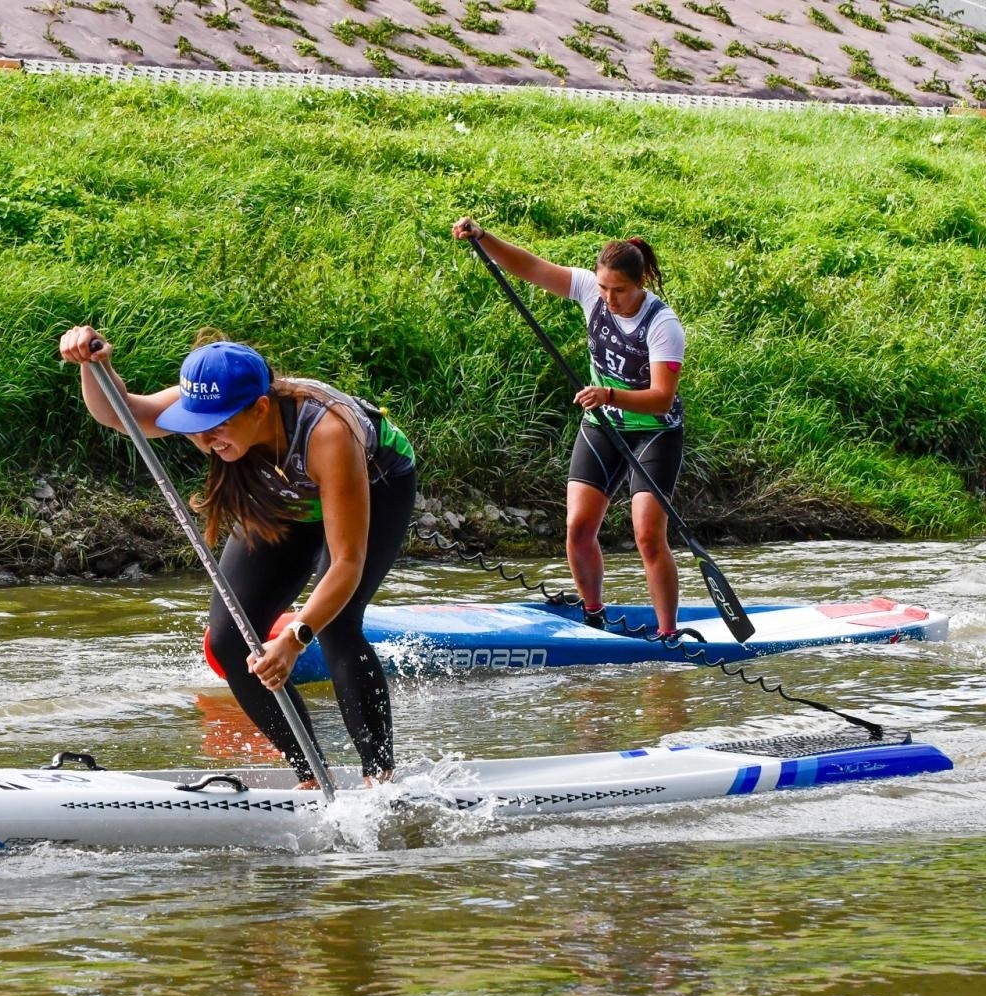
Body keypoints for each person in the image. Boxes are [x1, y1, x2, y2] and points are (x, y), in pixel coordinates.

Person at [58, 325, 417, 786]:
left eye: (219, 425)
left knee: (336, 626)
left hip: (374, 483)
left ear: (260, 408)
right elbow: (122, 413)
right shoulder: (211, 411)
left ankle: (379, 779)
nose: (206, 438)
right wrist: (95, 366)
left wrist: (293, 639)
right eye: (197, 424)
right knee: (229, 640)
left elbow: (347, 562)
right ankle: (311, 776)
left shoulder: (327, 432)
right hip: (284, 495)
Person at [452, 218, 688, 638]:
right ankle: (594, 614)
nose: (609, 298)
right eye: (603, 288)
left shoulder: (663, 325)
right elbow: (529, 266)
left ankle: (669, 635)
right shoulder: (587, 290)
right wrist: (485, 238)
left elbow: (661, 399)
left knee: (648, 536)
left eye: (619, 290)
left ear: (640, 283)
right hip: (602, 425)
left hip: (654, 432)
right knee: (578, 528)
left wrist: (609, 395)